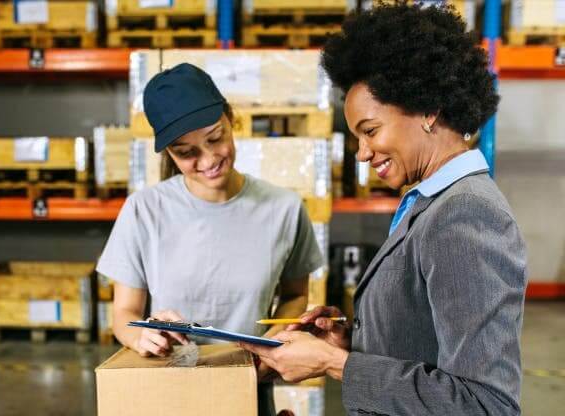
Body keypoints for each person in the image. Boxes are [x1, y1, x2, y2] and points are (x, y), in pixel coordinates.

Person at [240, 4, 527, 415]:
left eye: (370, 131)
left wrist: (336, 365)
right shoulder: (429, 204)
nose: (361, 153)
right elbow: (425, 342)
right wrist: (351, 341)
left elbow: (485, 404)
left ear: (429, 109)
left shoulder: (465, 215)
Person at [96, 63, 324, 416]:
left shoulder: (284, 209)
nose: (208, 160)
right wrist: (143, 335)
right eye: (186, 153)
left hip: (248, 388)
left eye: (215, 138)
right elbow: (124, 314)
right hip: (170, 391)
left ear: (231, 119)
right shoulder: (144, 211)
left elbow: (295, 295)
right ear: (170, 154)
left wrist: (277, 342)